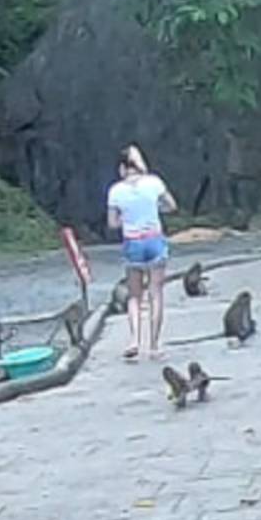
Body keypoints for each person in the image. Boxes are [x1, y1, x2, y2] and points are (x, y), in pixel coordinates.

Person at [105, 147, 177, 361]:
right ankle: (154, 346)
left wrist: (125, 218)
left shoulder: (115, 191)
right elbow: (171, 206)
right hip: (154, 240)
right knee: (156, 293)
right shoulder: (154, 182)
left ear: (122, 168)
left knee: (134, 296)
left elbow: (112, 223)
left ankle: (135, 340)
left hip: (133, 243)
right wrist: (154, 208)